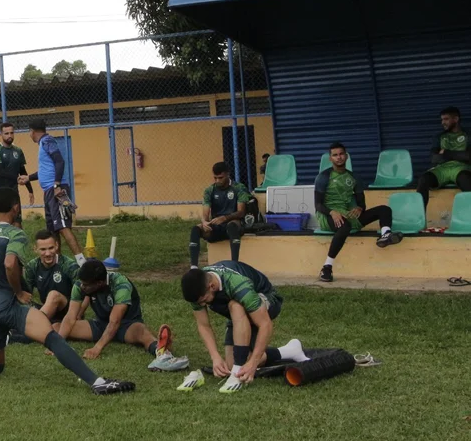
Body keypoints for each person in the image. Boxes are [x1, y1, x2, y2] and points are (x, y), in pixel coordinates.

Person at [0, 187, 135, 395]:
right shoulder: (15, 233)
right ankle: (97, 382)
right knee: (52, 337)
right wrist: (17, 292)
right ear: (16, 207)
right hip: (7, 305)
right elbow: (9, 264)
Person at [180, 261, 309, 393]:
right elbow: (203, 325)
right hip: (237, 311)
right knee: (230, 364)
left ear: (211, 286)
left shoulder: (237, 284)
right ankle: (290, 350)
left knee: (235, 305)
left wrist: (253, 363)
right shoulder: (198, 287)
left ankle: (237, 368)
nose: (202, 304)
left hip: (267, 299)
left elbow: (265, 324)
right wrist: (215, 357)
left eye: (203, 300)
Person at [56, 260, 188, 371]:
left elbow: (115, 322)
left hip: (127, 326)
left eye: (86, 285)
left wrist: (97, 348)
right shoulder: (81, 285)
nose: (82, 286)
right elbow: (70, 316)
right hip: (101, 324)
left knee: (142, 332)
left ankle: (161, 352)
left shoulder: (121, 284)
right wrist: (59, 343)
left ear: (99, 283)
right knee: (57, 327)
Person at [315, 142, 403, 283]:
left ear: (347, 156)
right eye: (335, 155)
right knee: (345, 227)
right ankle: (326, 268)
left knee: (384, 209)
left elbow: (362, 202)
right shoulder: (323, 177)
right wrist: (332, 212)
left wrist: (359, 208)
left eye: (341, 154)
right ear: (330, 158)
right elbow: (318, 204)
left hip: (348, 214)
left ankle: (385, 235)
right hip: (328, 215)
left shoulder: (355, 177)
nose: (339, 157)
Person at [20, 119, 83, 264]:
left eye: (29, 132)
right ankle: (58, 263)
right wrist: (28, 178)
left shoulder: (47, 141)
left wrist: (56, 186)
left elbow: (59, 161)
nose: (29, 135)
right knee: (53, 230)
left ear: (32, 131)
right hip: (48, 191)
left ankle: (82, 262)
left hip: (56, 190)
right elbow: (45, 170)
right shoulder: (43, 144)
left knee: (62, 226)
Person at [188, 162, 251, 269]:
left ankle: (234, 264)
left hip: (233, 224)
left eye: (220, 178)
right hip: (216, 225)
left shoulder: (238, 188)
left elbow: (241, 212)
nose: (217, 181)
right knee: (196, 229)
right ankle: (193, 267)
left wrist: (225, 218)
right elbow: (205, 212)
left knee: (232, 225)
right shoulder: (210, 190)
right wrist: (204, 222)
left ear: (227, 174)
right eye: (215, 178)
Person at [416, 106, 471, 209]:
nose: (442, 122)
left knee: (466, 180)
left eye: (446, 119)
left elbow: (469, 157)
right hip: (442, 169)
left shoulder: (468, 135)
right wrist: (459, 155)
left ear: (456, 119)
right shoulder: (439, 137)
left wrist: (446, 152)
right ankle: (418, 218)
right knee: (423, 180)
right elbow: (434, 158)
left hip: (461, 168)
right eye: (442, 119)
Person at [21, 230, 78, 324]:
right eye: (43, 249)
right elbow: (26, 295)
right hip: (46, 309)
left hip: (68, 310)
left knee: (53, 295)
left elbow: (84, 293)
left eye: (51, 248)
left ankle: (34, 326)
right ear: (35, 249)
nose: (47, 253)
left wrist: (77, 315)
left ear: (56, 245)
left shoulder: (69, 265)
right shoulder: (32, 266)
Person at [0, 122, 33, 227]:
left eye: (11, 133)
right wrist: (17, 178)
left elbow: (22, 171)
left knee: (17, 224)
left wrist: (30, 190)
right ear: (0, 134)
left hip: (13, 192)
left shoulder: (18, 151)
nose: (9, 136)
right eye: (6, 133)